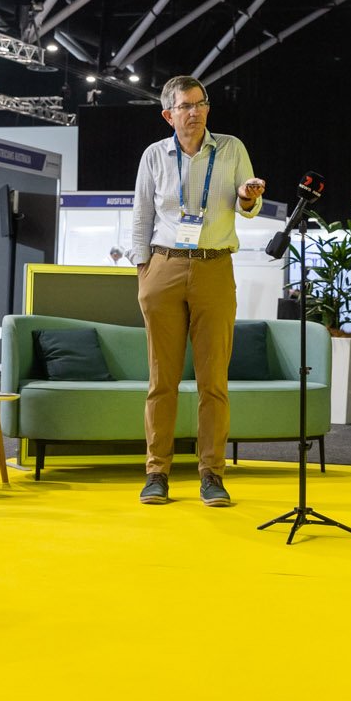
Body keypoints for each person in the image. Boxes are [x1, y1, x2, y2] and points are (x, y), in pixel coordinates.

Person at [128, 75, 266, 507]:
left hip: (214, 268)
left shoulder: (232, 148)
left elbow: (250, 204)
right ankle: (157, 473)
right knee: (161, 382)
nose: (195, 112)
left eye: (201, 104)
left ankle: (212, 474)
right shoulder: (154, 156)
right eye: (185, 106)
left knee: (214, 382)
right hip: (163, 267)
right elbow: (141, 215)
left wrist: (247, 197)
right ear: (168, 114)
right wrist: (142, 271)